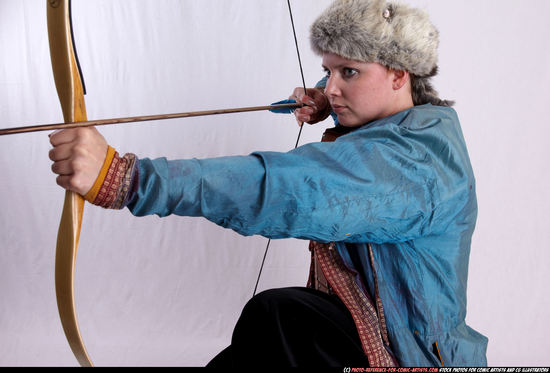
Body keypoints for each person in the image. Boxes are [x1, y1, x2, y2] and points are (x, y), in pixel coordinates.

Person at [48, 0, 488, 367]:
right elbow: (356, 101)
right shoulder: (414, 122)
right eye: (327, 72)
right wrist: (330, 100)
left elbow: (287, 189)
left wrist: (126, 178)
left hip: (413, 360)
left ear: (399, 74)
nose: (331, 87)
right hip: (374, 334)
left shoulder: (413, 165)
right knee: (280, 324)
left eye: (347, 73)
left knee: (279, 315)